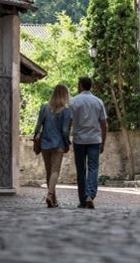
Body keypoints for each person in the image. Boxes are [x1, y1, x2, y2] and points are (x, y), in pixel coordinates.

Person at [70, 77, 107, 209]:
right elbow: (104, 124)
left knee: (81, 170)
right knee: (93, 168)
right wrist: (103, 142)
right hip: (94, 140)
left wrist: (66, 137)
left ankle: (82, 200)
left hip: (79, 140)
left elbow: (69, 121)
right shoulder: (98, 102)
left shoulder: (73, 101)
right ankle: (90, 195)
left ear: (80, 86)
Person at [34, 84, 71, 208]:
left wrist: (36, 139)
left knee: (49, 172)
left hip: (45, 143)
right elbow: (65, 131)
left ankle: (53, 200)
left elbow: (38, 126)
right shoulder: (66, 110)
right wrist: (67, 144)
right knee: (55, 171)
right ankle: (50, 195)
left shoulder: (44, 107)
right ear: (65, 95)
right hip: (58, 144)